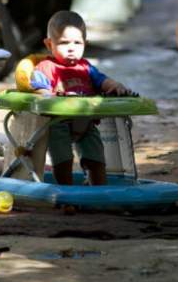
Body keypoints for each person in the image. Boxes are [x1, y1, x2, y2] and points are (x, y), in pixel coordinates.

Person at [30, 11, 136, 186]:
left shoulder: (86, 68)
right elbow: (41, 92)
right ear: (49, 44)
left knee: (96, 159)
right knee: (63, 160)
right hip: (58, 124)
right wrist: (53, 96)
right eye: (64, 43)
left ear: (85, 44)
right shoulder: (45, 67)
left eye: (77, 43)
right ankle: (65, 192)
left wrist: (116, 86)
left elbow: (103, 81)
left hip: (86, 122)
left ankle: (99, 190)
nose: (71, 48)